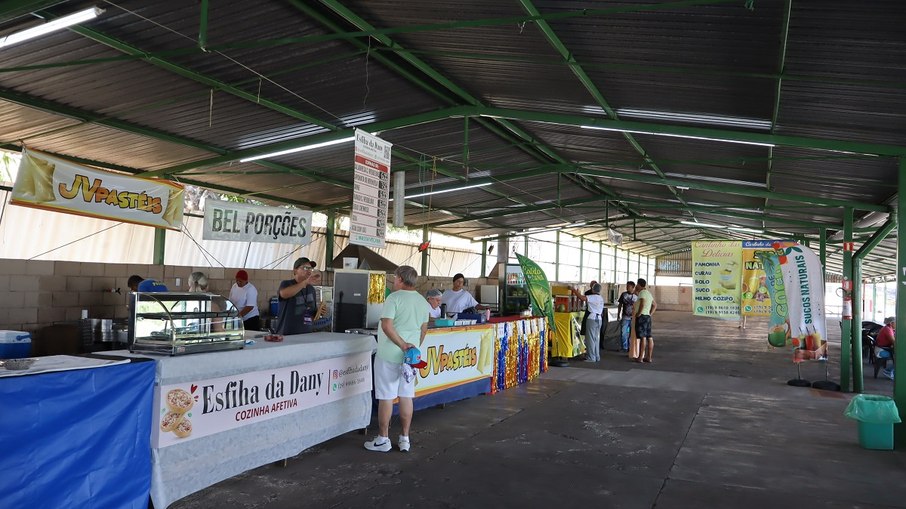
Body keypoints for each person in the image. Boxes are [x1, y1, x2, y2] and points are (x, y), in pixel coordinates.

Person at [364, 265, 428, 453]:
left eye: (394, 277)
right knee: (406, 396)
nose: (393, 280)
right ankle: (405, 438)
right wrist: (412, 347)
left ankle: (383, 438)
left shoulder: (394, 298)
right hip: (410, 358)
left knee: (386, 396)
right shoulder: (422, 301)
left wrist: (401, 344)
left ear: (400, 278)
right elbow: (423, 329)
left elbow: (386, 326)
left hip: (389, 354)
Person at [276, 257, 318, 335]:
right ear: (295, 270)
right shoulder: (286, 284)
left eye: (311, 268)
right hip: (287, 334)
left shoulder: (311, 289)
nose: (309, 271)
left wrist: (319, 313)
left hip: (306, 333)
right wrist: (304, 283)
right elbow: (284, 294)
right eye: (305, 268)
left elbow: (312, 313)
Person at [572, 283, 604, 363]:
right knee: (596, 338)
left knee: (590, 339)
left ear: (593, 289)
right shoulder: (601, 298)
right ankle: (597, 356)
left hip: (592, 318)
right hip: (599, 319)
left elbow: (582, 298)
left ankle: (591, 357)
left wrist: (574, 290)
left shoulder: (593, 297)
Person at [634, 278, 657, 363]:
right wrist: (650, 313)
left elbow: (642, 302)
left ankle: (640, 357)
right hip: (647, 316)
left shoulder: (642, 293)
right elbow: (655, 305)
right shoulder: (648, 293)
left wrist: (639, 313)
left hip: (642, 317)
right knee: (649, 337)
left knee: (643, 337)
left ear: (639, 284)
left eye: (637, 284)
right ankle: (649, 357)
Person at [617, 281, 637, 353]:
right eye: (627, 286)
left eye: (628, 286)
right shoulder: (623, 295)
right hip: (625, 317)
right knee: (623, 332)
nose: (627, 287)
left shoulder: (636, 296)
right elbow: (620, 305)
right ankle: (624, 347)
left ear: (633, 287)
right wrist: (618, 314)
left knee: (632, 333)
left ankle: (630, 347)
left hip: (633, 317)